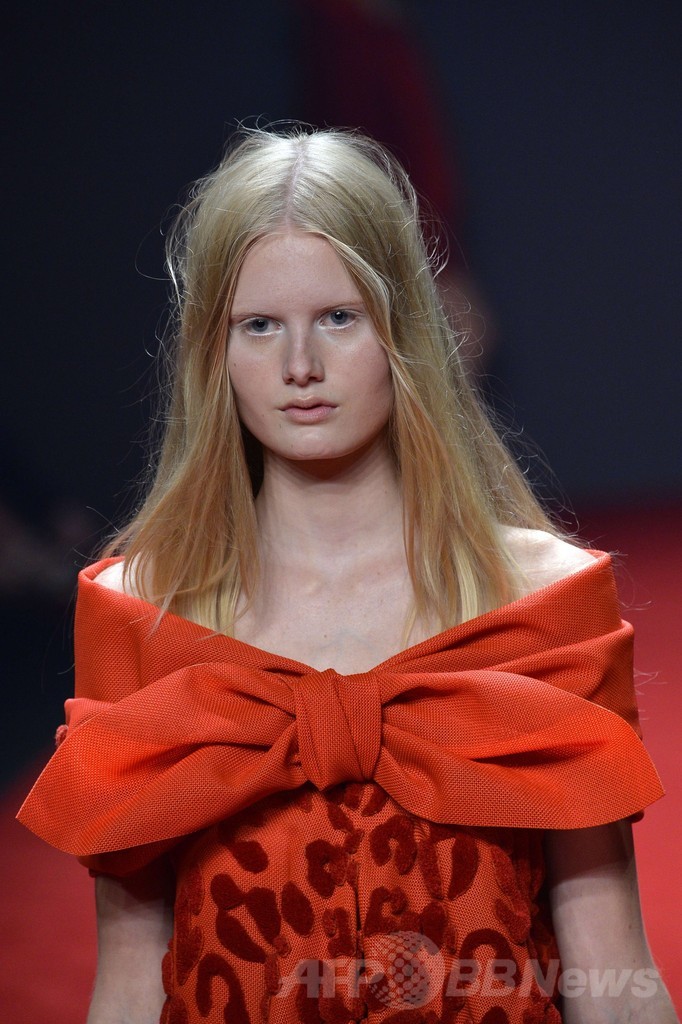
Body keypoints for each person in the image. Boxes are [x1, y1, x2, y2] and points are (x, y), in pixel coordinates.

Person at [18, 127, 677, 1024]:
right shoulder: (141, 613)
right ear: (212, 353)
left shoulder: (542, 605)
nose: (300, 367)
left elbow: (612, 968)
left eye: (338, 317)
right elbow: (131, 973)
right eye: (259, 326)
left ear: (404, 329)